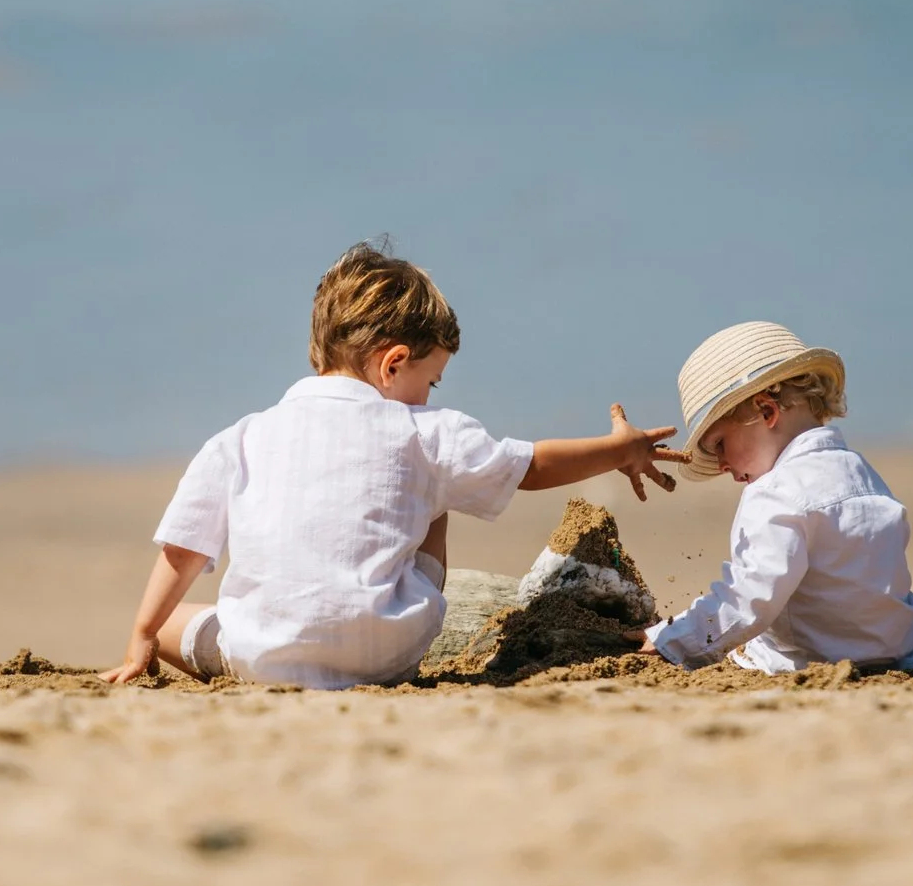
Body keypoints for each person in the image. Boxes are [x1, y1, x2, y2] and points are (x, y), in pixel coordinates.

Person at [103, 241, 681, 688]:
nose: (430, 398)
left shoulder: (240, 437)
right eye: (429, 381)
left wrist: (142, 637)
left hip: (263, 659)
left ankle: (219, 643)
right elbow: (530, 467)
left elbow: (183, 550)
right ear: (393, 362)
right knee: (440, 492)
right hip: (385, 654)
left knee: (180, 625)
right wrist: (619, 449)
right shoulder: (425, 431)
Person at [644, 321, 913, 674]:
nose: (721, 465)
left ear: (767, 412)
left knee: (750, 648)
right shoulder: (864, 474)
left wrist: (667, 639)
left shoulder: (774, 491)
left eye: (720, 445)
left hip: (808, 662)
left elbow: (749, 600)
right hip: (900, 658)